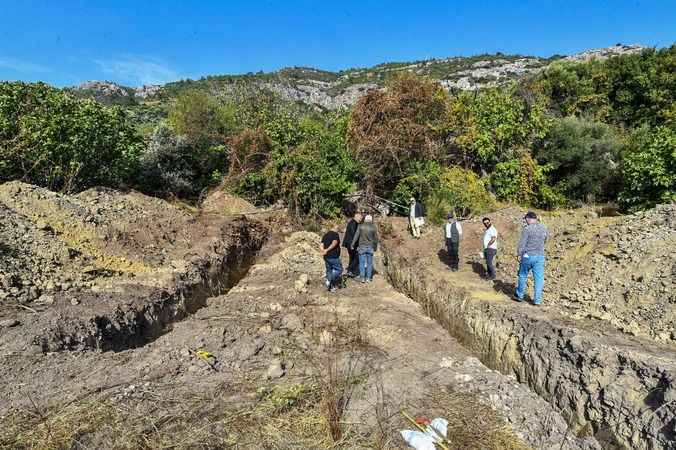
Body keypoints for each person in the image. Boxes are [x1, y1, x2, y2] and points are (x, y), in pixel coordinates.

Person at [514, 211, 548, 305]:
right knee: (539, 278)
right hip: (540, 256)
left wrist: (519, 254)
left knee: (523, 275)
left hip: (528, 255)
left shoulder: (527, 229)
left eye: (526, 219)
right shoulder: (544, 228)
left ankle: (519, 295)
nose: (526, 221)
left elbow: (522, 243)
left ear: (528, 219)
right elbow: (545, 239)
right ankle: (537, 301)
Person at [351, 214, 379, 283]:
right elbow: (376, 239)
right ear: (371, 220)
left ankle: (362, 278)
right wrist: (375, 247)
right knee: (369, 263)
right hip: (370, 247)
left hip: (362, 247)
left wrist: (352, 244)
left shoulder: (361, 226)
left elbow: (356, 236)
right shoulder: (374, 227)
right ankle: (368, 278)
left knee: (362, 263)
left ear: (365, 219)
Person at [320, 223, 343, 293]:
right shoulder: (335, 234)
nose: (338, 229)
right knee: (339, 269)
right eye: (337, 227)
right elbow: (334, 243)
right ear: (334, 227)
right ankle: (329, 280)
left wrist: (323, 250)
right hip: (333, 256)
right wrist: (326, 250)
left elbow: (321, 245)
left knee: (329, 269)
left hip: (326, 256)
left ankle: (330, 286)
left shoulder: (325, 235)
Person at [343, 212, 363, 278]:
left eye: (361, 218)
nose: (360, 220)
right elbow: (354, 235)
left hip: (349, 243)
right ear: (356, 216)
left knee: (352, 257)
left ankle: (350, 271)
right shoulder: (353, 223)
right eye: (360, 218)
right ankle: (350, 270)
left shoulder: (352, 222)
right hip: (351, 244)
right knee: (358, 257)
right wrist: (355, 245)